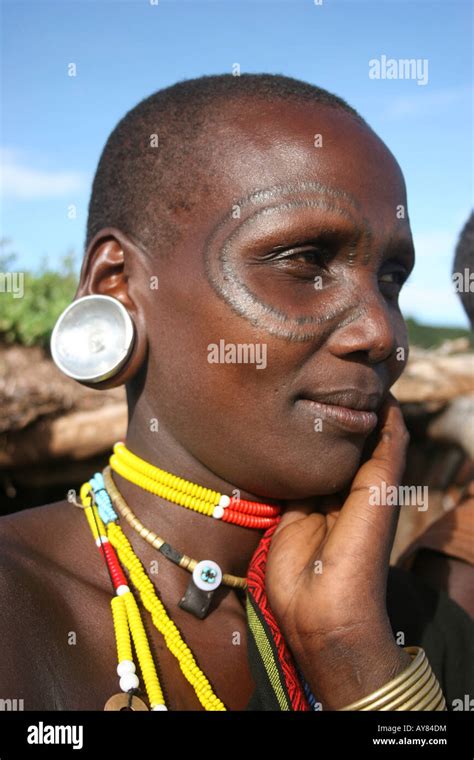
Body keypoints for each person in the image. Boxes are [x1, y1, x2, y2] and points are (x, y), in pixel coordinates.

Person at [0, 74, 472, 712]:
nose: (382, 332)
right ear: (118, 287)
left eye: (391, 279)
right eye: (304, 262)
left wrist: (357, 661)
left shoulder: (421, 631)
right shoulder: (16, 605)